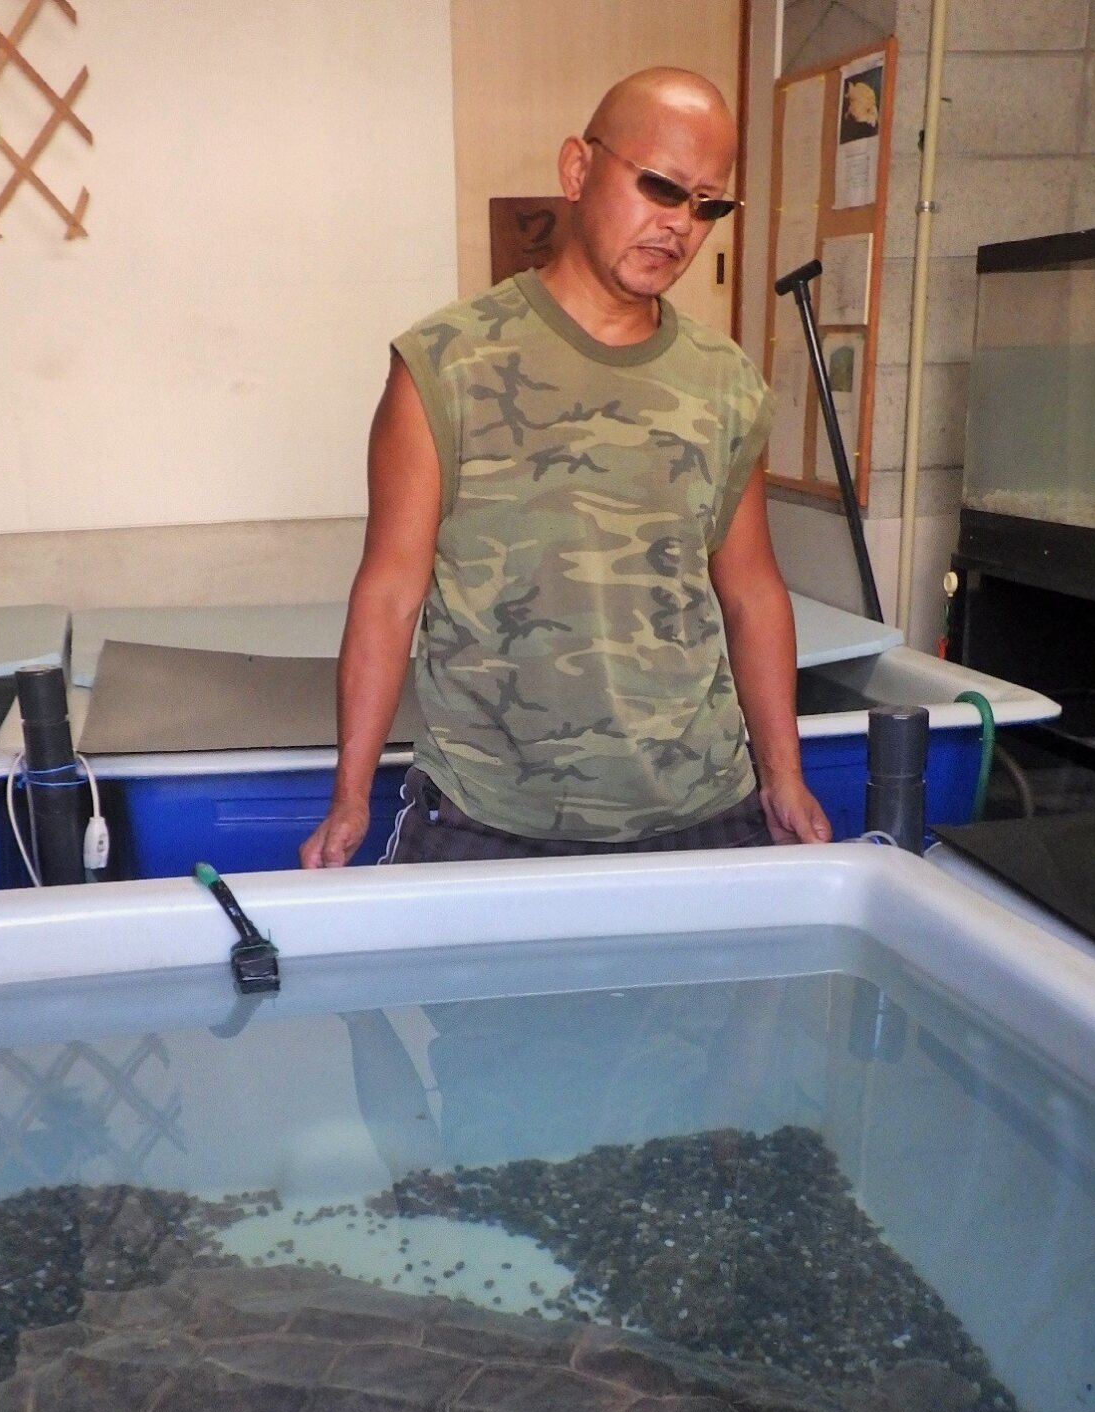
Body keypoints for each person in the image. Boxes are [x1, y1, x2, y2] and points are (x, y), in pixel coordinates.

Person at [300, 67, 832, 869]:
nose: (680, 225)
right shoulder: (448, 364)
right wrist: (350, 796)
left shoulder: (725, 385)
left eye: (707, 205)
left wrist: (783, 775)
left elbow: (752, 593)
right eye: (661, 187)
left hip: (698, 810)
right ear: (578, 169)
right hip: (488, 815)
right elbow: (389, 593)